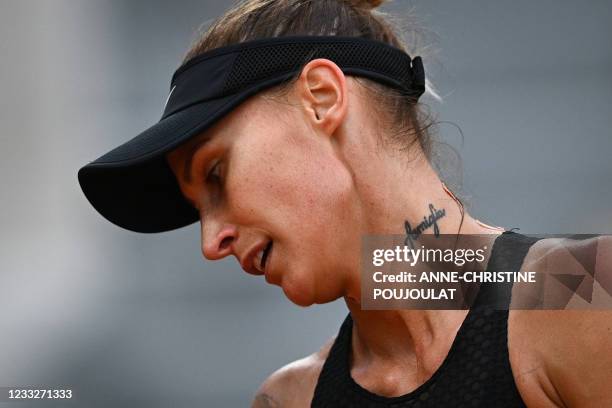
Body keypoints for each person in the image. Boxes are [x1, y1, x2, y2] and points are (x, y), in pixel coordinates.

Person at [78, 0, 612, 406]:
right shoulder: (291, 398)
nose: (210, 241)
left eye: (216, 174)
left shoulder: (585, 292)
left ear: (322, 99)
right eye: (198, 208)